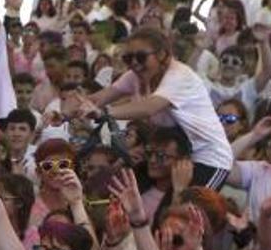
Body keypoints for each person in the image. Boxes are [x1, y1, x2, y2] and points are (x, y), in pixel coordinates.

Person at [74, 27, 235, 189]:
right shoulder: (135, 75)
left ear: (162, 55)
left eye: (141, 57)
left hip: (209, 157)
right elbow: (98, 98)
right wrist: (64, 113)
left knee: (189, 211)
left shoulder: (179, 75)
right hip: (171, 155)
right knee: (123, 190)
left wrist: (105, 113)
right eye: (128, 58)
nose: (135, 64)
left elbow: (150, 107)